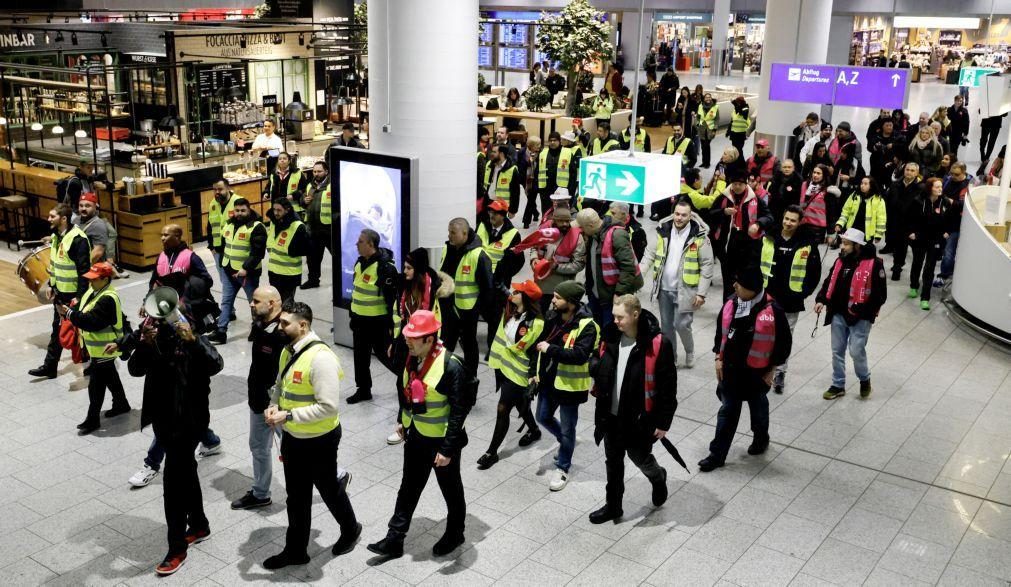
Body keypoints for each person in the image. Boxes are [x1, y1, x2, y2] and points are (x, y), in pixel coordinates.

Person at [368, 310, 475, 560]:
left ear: (429, 338)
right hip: (415, 435)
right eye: (407, 335)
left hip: (441, 443)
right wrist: (402, 420)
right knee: (408, 488)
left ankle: (456, 532)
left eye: (413, 337)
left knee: (451, 489)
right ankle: (395, 539)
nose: (407, 340)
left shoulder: (451, 366)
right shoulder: (411, 356)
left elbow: (459, 412)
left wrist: (447, 450)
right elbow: (404, 390)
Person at [262, 302, 361, 569]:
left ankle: (351, 529)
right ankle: (295, 550)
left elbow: (329, 407)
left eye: (285, 323)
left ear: (303, 325)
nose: (279, 327)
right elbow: (280, 386)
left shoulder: (321, 358)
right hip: (294, 437)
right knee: (296, 496)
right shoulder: (287, 351)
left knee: (328, 488)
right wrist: (274, 405)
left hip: (320, 439)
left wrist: (288, 416)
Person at [128, 310, 223, 575]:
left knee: (172, 483)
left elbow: (216, 364)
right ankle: (200, 524)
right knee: (186, 471)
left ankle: (176, 547)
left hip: (190, 421)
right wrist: (145, 344)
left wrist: (192, 340)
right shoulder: (155, 338)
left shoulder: (194, 337)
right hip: (164, 421)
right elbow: (135, 369)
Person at [588, 294, 675, 522]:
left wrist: (663, 422)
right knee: (613, 464)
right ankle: (613, 506)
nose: (615, 321)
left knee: (641, 459)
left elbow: (668, 388)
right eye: (614, 316)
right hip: (611, 415)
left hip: (639, 419)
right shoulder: (610, 337)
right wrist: (595, 367)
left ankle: (658, 477)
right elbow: (598, 361)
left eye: (620, 317)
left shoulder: (657, 344)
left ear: (635, 315)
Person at [698, 264, 793, 472]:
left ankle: (761, 438)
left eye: (739, 284)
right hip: (731, 371)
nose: (734, 286)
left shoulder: (773, 311)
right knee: (727, 412)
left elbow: (784, 343)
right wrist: (717, 357)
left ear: (753, 288)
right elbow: (719, 333)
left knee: (758, 411)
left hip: (757, 375)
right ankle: (717, 455)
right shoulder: (732, 302)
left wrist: (772, 370)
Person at [534, 281, 600, 491]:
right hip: (549, 380)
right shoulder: (553, 316)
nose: (552, 300)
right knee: (542, 417)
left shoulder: (588, 326)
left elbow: (580, 356)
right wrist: (534, 373)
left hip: (570, 386)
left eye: (557, 297)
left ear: (571, 303)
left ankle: (562, 468)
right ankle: (565, 441)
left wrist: (550, 349)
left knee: (568, 427)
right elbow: (540, 343)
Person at [477, 280, 545, 469]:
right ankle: (534, 430)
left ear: (526, 298)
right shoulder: (509, 312)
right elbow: (500, 340)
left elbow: (532, 352)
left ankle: (491, 452)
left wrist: (534, 376)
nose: (512, 293)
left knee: (502, 408)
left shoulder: (536, 323)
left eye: (517, 291)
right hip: (503, 368)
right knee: (521, 405)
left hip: (519, 374)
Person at [815, 228, 887, 401]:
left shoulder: (874, 264)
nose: (842, 247)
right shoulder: (840, 261)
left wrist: (863, 309)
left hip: (861, 317)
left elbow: (880, 295)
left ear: (857, 246)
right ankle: (838, 384)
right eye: (842, 243)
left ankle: (864, 379)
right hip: (838, 313)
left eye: (846, 244)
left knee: (856, 351)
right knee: (837, 351)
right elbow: (829, 281)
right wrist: (821, 299)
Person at [230, 286, 285, 510]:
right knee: (258, 447)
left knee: (301, 448)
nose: (251, 304)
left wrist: (276, 402)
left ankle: (336, 475)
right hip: (259, 400)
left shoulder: (283, 332)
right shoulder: (262, 325)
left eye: (256, 301)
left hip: (277, 404)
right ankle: (261, 493)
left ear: (271, 303)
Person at [642, 199, 713, 368]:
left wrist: (701, 293)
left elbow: (707, 265)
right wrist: (639, 274)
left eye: (684, 215)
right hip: (664, 288)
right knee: (666, 327)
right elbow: (649, 255)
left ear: (690, 216)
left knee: (682, 325)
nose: (679, 218)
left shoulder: (699, 236)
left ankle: (689, 351)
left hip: (686, 290)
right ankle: (671, 356)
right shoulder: (662, 231)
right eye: (677, 214)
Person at [59, 262, 129, 434]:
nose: (90, 282)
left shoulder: (108, 298)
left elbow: (90, 321)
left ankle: (93, 419)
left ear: (105, 279)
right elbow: (83, 308)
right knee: (110, 375)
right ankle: (121, 404)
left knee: (96, 384)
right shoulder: (94, 290)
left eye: (94, 279)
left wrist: (69, 314)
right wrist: (73, 307)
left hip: (106, 348)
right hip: (97, 348)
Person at [760, 206, 821, 394]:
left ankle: (780, 372)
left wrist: (803, 293)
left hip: (791, 300)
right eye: (786, 218)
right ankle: (762, 368)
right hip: (766, 298)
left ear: (799, 222)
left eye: (793, 220)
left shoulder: (807, 242)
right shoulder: (769, 237)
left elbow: (814, 271)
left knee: (784, 338)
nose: (788, 223)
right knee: (763, 334)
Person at [29, 203, 90, 379]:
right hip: (60, 294)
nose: (48, 219)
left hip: (74, 296)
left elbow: (84, 272)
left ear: (63, 219)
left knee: (83, 331)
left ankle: (92, 365)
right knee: (57, 329)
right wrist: (52, 287)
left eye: (52, 216)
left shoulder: (78, 239)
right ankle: (50, 366)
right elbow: (57, 267)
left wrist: (80, 297)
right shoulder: (57, 237)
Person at [347, 229, 399, 403]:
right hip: (359, 320)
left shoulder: (385, 268)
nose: (357, 244)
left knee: (386, 356)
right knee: (360, 357)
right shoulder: (360, 262)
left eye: (360, 241)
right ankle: (363, 390)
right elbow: (358, 291)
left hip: (378, 323)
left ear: (371, 244)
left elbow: (393, 300)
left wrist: (392, 327)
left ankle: (408, 378)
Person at [707, 169, 773, 301]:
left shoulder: (755, 199)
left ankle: (745, 304)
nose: (737, 186)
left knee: (745, 277)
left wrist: (758, 224)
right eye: (734, 184)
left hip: (750, 244)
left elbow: (769, 217)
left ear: (746, 184)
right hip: (728, 244)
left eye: (740, 184)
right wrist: (723, 212)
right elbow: (710, 214)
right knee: (729, 278)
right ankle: (728, 306)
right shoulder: (724, 198)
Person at [439, 218, 493, 377]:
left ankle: (470, 378)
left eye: (453, 233)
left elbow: (487, 288)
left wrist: (478, 309)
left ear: (465, 233)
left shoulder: (479, 255)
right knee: (445, 345)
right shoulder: (448, 248)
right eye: (449, 232)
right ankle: (444, 376)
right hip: (448, 309)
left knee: (469, 346)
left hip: (468, 311)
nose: (449, 236)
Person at [209, 198, 266, 345]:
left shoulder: (256, 227)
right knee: (226, 301)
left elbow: (258, 253)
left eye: (243, 210)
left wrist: (245, 268)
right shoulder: (228, 223)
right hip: (229, 271)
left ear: (249, 209)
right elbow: (225, 244)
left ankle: (258, 328)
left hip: (248, 274)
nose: (239, 213)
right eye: (237, 210)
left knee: (254, 303)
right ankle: (221, 331)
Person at [577, 208, 644, 327]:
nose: (580, 230)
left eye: (582, 227)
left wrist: (619, 293)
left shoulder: (617, 235)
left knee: (609, 332)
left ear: (591, 225)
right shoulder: (593, 236)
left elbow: (628, 267)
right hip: (596, 293)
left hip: (612, 297)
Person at [151, 224, 218, 333]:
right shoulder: (160, 257)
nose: (162, 238)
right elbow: (154, 282)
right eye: (161, 235)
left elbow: (206, 280)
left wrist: (187, 300)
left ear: (177, 236)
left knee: (191, 339)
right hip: (168, 308)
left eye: (166, 235)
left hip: (189, 310)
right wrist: (146, 302)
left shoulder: (190, 257)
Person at [908, 177, 957, 311]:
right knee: (917, 263)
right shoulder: (918, 201)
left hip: (935, 240)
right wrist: (911, 232)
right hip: (920, 238)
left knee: (929, 268)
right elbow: (910, 218)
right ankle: (913, 286)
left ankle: (925, 298)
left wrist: (947, 232)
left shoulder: (945, 202)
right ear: (930, 188)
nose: (940, 189)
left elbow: (951, 218)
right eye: (937, 187)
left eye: (941, 187)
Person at [530, 207, 585, 305]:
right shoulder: (544, 231)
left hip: (562, 288)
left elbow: (578, 265)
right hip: (541, 284)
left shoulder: (577, 238)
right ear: (554, 220)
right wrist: (534, 258)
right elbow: (534, 247)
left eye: (567, 221)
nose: (564, 224)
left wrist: (557, 267)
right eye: (561, 221)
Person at [265, 197, 309, 303]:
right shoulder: (273, 222)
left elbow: (306, 248)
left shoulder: (298, 226)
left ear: (287, 209)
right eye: (274, 209)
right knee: (276, 302)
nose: (275, 213)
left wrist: (292, 250)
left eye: (279, 210)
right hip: (274, 271)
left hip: (289, 273)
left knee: (286, 303)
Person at [885, 162, 923, 279]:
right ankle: (898, 263)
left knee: (903, 245)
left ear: (917, 173)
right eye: (907, 169)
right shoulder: (895, 185)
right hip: (894, 220)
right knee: (897, 244)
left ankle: (898, 266)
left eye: (912, 170)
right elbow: (888, 202)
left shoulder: (920, 188)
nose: (909, 172)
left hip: (910, 222)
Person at [301, 161, 333, 289]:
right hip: (313, 227)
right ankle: (313, 280)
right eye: (314, 171)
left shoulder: (333, 185)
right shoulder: (310, 185)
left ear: (326, 172)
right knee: (312, 258)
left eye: (319, 171)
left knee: (337, 258)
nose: (316, 174)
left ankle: (341, 284)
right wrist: (304, 200)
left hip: (329, 228)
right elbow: (303, 200)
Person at [535, 132, 577, 222]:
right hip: (545, 189)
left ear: (559, 141)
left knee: (561, 213)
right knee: (546, 213)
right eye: (551, 140)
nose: (552, 142)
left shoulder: (568, 153)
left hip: (562, 189)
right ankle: (546, 229)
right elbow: (537, 171)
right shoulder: (543, 153)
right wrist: (538, 188)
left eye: (555, 140)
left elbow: (573, 174)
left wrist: (571, 190)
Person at [834, 176, 887, 245]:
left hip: (866, 234)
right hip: (852, 230)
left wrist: (878, 235)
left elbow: (881, 219)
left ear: (871, 186)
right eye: (861, 183)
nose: (862, 186)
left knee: (863, 254)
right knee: (849, 251)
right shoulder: (854, 195)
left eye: (865, 184)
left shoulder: (879, 200)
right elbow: (845, 212)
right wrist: (839, 224)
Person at [207, 179, 241, 272]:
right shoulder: (213, 203)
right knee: (225, 282)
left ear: (228, 188)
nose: (217, 192)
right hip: (218, 250)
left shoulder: (238, 202)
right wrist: (211, 247)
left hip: (235, 250)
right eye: (214, 190)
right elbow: (210, 226)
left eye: (220, 189)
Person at [264, 152, 309, 218]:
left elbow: (304, 189)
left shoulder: (297, 173)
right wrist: (266, 193)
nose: (282, 160)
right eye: (280, 159)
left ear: (289, 161)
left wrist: (293, 196)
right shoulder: (274, 173)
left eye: (284, 158)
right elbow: (269, 186)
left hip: (293, 209)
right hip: (277, 209)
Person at [483, 143, 521, 217]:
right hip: (489, 202)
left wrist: (513, 210)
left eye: (494, 152)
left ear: (501, 154)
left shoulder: (512, 169)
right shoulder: (489, 165)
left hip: (502, 206)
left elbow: (515, 193)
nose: (491, 154)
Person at [798, 164, 834, 244]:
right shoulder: (805, 185)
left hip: (817, 228)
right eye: (814, 172)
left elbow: (830, 213)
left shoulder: (827, 190)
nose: (815, 175)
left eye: (818, 173)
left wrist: (830, 233)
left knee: (812, 253)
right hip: (803, 224)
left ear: (824, 175)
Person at [767, 158, 803, 223]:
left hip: (790, 211)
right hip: (775, 209)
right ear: (781, 168)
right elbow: (771, 191)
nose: (787, 169)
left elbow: (799, 197)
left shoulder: (798, 180)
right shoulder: (775, 177)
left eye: (789, 167)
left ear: (793, 168)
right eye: (785, 167)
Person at [520, 136, 542, 228]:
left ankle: (526, 221)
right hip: (526, 180)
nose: (539, 146)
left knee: (530, 200)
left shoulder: (541, 153)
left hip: (537, 180)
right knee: (531, 199)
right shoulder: (522, 152)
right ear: (530, 146)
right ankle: (536, 213)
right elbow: (519, 165)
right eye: (537, 145)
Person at [697, 93, 719, 168]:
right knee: (703, 146)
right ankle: (704, 162)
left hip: (710, 129)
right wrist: (697, 124)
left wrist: (715, 129)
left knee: (707, 145)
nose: (708, 99)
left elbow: (717, 119)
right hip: (701, 129)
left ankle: (707, 163)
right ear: (704, 98)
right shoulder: (700, 106)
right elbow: (698, 117)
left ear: (711, 98)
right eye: (706, 97)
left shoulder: (715, 107)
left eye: (709, 97)